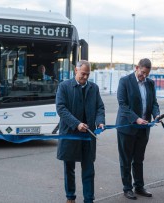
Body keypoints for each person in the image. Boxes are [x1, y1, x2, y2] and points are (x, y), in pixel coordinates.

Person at [56, 60, 105, 203]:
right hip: (70, 133)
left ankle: (89, 199)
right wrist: (76, 124)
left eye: (88, 74)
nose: (85, 77)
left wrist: (100, 121)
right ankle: (70, 197)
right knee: (69, 169)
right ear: (76, 71)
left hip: (89, 135)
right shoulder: (64, 86)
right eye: (83, 74)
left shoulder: (93, 88)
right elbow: (61, 108)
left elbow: (100, 108)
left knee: (89, 169)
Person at [116, 58, 161, 200]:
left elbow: (153, 103)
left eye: (147, 74)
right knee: (126, 160)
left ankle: (139, 186)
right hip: (127, 128)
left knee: (139, 159)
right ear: (137, 68)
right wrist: (136, 119)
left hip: (143, 128)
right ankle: (127, 188)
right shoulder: (125, 81)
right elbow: (123, 105)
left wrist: (157, 114)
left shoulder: (150, 83)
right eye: (142, 73)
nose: (144, 76)